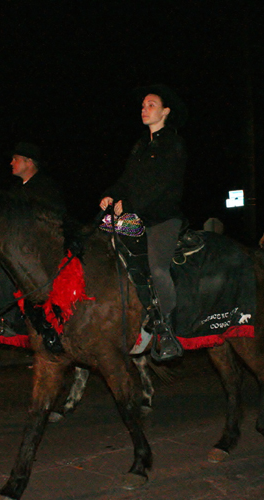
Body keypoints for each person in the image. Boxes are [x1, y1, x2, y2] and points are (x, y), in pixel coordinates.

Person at [99, 84, 188, 362]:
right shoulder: (140, 145)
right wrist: (111, 194)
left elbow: (163, 184)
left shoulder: (172, 143)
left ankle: (167, 331)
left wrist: (133, 205)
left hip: (162, 218)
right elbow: (127, 179)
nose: (144, 109)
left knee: (157, 267)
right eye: (143, 105)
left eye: (151, 104)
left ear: (165, 111)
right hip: (134, 218)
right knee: (102, 237)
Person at [9, 142, 65, 214]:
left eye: (15, 159)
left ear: (29, 162)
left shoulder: (46, 188)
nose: (11, 163)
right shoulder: (15, 188)